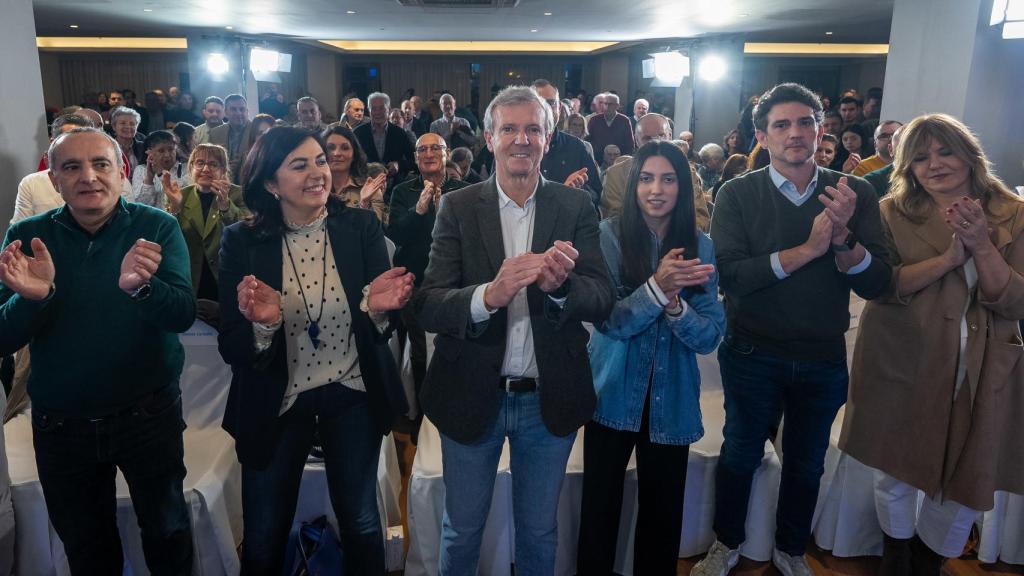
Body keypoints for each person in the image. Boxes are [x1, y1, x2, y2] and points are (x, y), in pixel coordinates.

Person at [413, 86, 614, 575]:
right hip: (470, 393)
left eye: (533, 129)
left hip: (548, 399)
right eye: (509, 129)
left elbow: (602, 297)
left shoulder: (576, 207)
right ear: (489, 137)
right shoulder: (458, 207)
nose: (521, 139)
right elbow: (429, 304)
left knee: (539, 530)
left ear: (548, 137)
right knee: (461, 529)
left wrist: (562, 291)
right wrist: (489, 296)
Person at [693, 83, 891, 576]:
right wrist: (806, 250)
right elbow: (731, 277)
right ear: (762, 135)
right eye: (781, 125)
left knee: (807, 464)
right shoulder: (738, 192)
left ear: (821, 130)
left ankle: (789, 548)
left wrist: (842, 236)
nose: (795, 133)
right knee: (740, 455)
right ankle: (728, 543)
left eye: (805, 122)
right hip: (752, 351)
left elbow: (876, 282)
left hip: (822, 355)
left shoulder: (854, 193)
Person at [216, 127, 414, 574]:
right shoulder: (242, 241)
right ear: (270, 183)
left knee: (362, 520)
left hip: (352, 390)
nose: (318, 173)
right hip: (277, 396)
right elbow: (231, 343)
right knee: (265, 532)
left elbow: (381, 325)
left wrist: (378, 311)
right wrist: (264, 328)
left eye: (320, 161)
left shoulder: (360, 226)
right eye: (300, 165)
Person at [0, 127, 195, 573]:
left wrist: (143, 289)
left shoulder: (156, 226)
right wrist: (32, 298)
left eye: (100, 164)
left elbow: (182, 314)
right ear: (54, 180)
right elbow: (3, 338)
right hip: (61, 425)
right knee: (88, 549)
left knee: (168, 534)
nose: (88, 176)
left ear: (121, 170)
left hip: (148, 416)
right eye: (72, 166)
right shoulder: (27, 236)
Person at [840, 114, 1024, 575]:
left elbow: (1015, 300)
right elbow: (882, 286)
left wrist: (981, 244)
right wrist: (947, 259)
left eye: (944, 151)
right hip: (904, 355)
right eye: (920, 157)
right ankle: (896, 557)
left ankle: (928, 562)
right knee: (894, 469)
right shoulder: (891, 212)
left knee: (966, 482)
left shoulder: (1012, 213)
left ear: (969, 153)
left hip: (983, 365)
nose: (934, 164)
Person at [576, 141, 725, 575]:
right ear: (632, 184)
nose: (655, 189)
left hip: (672, 399)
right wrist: (658, 289)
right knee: (599, 512)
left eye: (667, 179)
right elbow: (611, 322)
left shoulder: (701, 246)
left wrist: (677, 308)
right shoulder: (607, 236)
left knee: (662, 520)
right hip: (612, 393)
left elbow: (710, 336)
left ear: (683, 186)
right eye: (646, 178)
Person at [386, 133, 469, 435]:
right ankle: (424, 416)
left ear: (447, 154)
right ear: (416, 157)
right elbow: (394, 236)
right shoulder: (402, 192)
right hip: (416, 283)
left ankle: (457, 410)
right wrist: (418, 210)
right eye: (423, 149)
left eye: (436, 147)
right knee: (420, 352)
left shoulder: (465, 190)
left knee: (458, 349)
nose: (430, 153)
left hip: (457, 285)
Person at [164, 143, 247, 307]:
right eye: (200, 163)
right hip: (190, 276)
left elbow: (246, 233)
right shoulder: (180, 194)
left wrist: (225, 205)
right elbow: (169, 240)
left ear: (223, 170)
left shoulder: (238, 194)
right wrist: (175, 208)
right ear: (191, 167)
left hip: (227, 276)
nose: (206, 169)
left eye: (213, 164)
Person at [600, 114, 711, 232]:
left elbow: (700, 219)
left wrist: (672, 240)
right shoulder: (616, 174)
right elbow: (614, 222)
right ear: (636, 140)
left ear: (669, 136)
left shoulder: (687, 172)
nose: (655, 142)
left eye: (661, 136)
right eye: (647, 138)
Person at [322, 124, 388, 223]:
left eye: (345, 148)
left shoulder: (370, 188)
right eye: (331, 148)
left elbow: (376, 233)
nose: (337, 153)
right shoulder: (313, 187)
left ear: (354, 155)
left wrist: (364, 204)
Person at [132, 130, 192, 208]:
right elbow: (140, 206)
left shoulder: (187, 168)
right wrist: (149, 179)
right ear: (149, 152)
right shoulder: (141, 170)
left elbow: (183, 198)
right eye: (161, 151)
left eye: (171, 149)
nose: (167, 155)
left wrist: (160, 173)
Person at [209, 94, 254, 184]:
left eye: (242, 109)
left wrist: (244, 164)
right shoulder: (215, 133)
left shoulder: (257, 130)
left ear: (247, 111)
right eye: (233, 109)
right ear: (225, 112)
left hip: (251, 182)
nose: (238, 113)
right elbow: (210, 160)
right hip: (222, 183)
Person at [111, 105, 146, 175]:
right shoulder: (108, 148)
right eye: (123, 123)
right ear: (114, 126)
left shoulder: (144, 147)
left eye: (132, 124)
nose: (128, 127)